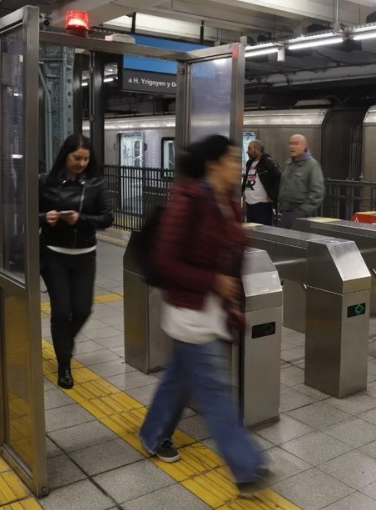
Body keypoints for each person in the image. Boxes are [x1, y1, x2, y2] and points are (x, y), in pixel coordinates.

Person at [139, 135, 268, 497]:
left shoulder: (229, 202)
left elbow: (231, 253)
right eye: (231, 159)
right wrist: (213, 280)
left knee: (179, 379)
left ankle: (152, 433)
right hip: (190, 312)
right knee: (215, 392)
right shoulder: (189, 200)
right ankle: (248, 468)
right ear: (213, 164)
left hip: (214, 311)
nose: (237, 165)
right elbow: (166, 262)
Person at [39, 134, 113, 390]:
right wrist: (43, 217)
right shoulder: (46, 182)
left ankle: (63, 344)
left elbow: (106, 218)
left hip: (84, 255)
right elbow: (28, 212)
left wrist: (80, 219)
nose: (81, 163)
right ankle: (64, 364)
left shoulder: (95, 185)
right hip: (54, 254)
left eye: (86, 158)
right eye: (76, 157)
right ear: (65, 155)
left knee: (82, 310)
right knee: (61, 311)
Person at [276, 134, 325, 228]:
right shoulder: (288, 163)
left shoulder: (312, 165)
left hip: (300, 213)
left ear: (304, 146)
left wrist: (303, 211)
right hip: (285, 211)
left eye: (296, 144)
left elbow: (317, 192)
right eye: (290, 144)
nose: (291, 147)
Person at [241, 140, 281, 225]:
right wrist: (243, 190)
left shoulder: (268, 162)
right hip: (249, 204)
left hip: (262, 205)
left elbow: (279, 178)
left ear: (257, 149)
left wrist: (273, 195)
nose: (247, 151)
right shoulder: (249, 163)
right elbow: (246, 178)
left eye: (250, 149)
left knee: (262, 232)